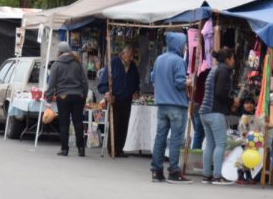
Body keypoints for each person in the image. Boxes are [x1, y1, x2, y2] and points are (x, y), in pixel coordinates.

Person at [150, 32, 192, 183]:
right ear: (179, 45)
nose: (186, 47)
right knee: (175, 139)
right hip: (177, 105)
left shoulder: (159, 59)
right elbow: (180, 83)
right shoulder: (179, 61)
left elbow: (152, 77)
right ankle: (174, 171)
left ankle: (156, 170)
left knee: (160, 137)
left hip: (162, 104)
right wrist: (190, 81)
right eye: (184, 44)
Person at [199, 47, 239, 185]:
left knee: (210, 143)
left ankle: (206, 175)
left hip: (205, 111)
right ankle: (217, 176)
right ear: (228, 59)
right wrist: (232, 102)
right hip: (215, 111)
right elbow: (220, 93)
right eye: (233, 58)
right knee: (221, 143)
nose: (234, 61)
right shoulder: (223, 71)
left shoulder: (215, 69)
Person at [46, 41, 89, 157]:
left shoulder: (56, 64)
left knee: (64, 123)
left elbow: (51, 84)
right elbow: (85, 82)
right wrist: (84, 96)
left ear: (59, 51)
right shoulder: (77, 63)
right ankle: (81, 149)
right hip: (78, 96)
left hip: (63, 96)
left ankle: (64, 149)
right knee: (78, 122)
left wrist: (48, 98)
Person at [98, 46, 140, 158]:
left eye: (132, 56)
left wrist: (136, 91)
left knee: (124, 125)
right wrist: (107, 93)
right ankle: (112, 149)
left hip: (127, 100)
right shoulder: (113, 64)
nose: (131, 58)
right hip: (114, 99)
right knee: (114, 125)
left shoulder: (133, 66)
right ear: (123, 53)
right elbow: (103, 83)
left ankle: (119, 149)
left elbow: (136, 81)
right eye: (129, 55)